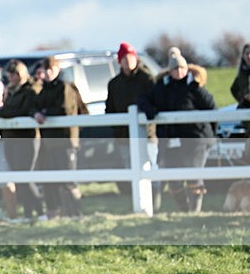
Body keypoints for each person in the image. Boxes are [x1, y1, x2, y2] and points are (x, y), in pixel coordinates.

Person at [138, 47, 216, 213]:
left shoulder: (194, 88)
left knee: (194, 175)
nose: (179, 71)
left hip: (196, 139)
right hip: (172, 140)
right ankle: (184, 209)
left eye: (182, 68)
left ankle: (195, 211)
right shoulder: (162, 88)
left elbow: (211, 108)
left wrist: (211, 135)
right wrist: (150, 110)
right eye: (175, 68)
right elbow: (144, 99)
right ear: (170, 71)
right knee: (173, 179)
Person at [33, 56, 84, 218]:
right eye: (45, 70)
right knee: (52, 180)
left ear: (58, 70)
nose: (48, 73)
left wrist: (45, 113)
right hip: (50, 143)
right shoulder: (44, 89)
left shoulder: (65, 87)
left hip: (66, 141)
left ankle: (75, 213)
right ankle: (58, 213)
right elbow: (35, 105)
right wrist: (36, 113)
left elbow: (65, 109)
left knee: (68, 181)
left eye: (51, 70)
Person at [105, 42, 157, 194]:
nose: (128, 62)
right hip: (123, 136)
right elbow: (110, 109)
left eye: (131, 58)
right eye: (125, 59)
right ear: (119, 61)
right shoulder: (114, 84)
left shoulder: (147, 79)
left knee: (150, 166)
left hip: (146, 135)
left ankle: (155, 200)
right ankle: (137, 199)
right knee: (130, 167)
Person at [0, 59, 46, 220]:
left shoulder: (30, 89)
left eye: (13, 75)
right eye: (9, 75)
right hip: (11, 138)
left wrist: (3, 111)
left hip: (27, 138)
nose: (10, 78)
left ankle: (40, 211)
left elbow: (21, 110)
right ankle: (27, 213)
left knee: (26, 176)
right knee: (18, 177)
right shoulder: (10, 91)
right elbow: (7, 110)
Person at [230, 42, 250, 163]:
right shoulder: (242, 75)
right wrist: (244, 99)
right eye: (247, 53)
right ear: (243, 56)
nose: (249, 56)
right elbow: (234, 89)